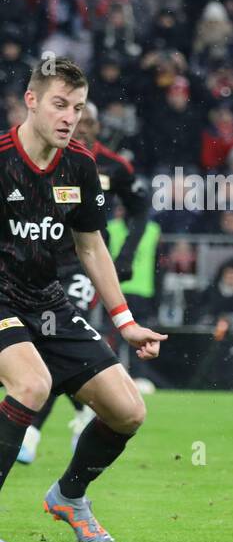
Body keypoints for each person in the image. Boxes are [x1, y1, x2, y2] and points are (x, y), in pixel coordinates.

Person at [0, 58, 166, 542]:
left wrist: (126, 322)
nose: (69, 117)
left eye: (77, 106)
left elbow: (91, 247)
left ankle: (69, 496)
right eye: (59, 104)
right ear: (30, 101)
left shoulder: (80, 165)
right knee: (32, 384)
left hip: (46, 301)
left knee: (128, 411)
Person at [17, 100, 149, 464]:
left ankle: (33, 429)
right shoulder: (45, 157)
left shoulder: (110, 165)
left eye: (87, 119)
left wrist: (124, 257)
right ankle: (84, 411)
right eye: (74, 117)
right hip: (43, 265)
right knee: (45, 339)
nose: (81, 125)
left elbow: (141, 210)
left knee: (54, 332)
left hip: (82, 265)